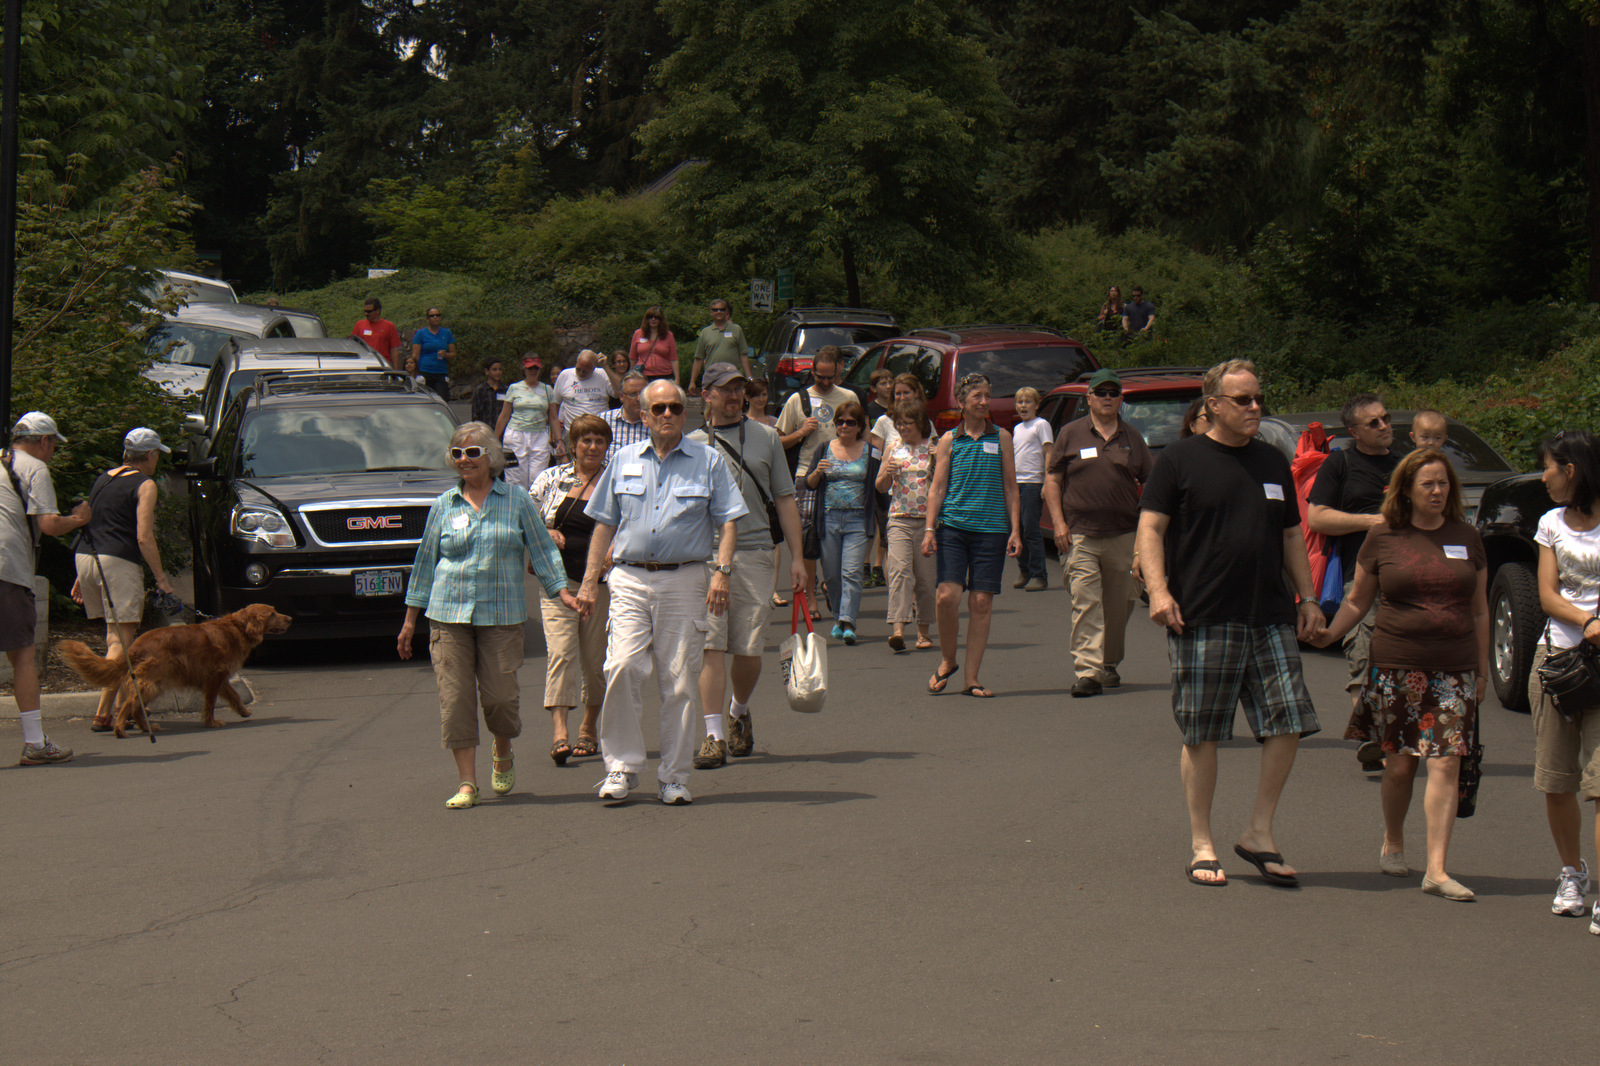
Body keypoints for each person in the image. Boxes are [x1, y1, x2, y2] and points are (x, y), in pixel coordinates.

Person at [1136, 359, 1323, 887]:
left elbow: (1291, 535)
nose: (1255, 407)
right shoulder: (1179, 460)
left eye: (1258, 398)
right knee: (1203, 732)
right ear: (1213, 404)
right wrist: (1159, 591)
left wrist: (1308, 597)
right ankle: (1202, 843)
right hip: (1202, 613)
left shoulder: (1272, 460)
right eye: (1243, 400)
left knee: (1288, 721)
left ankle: (1259, 831)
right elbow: (1150, 528)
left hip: (1270, 614)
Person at [1314, 449, 1488, 901]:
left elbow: (1480, 610)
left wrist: (1483, 670)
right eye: (1427, 483)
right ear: (1406, 489)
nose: (1437, 491)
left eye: (1443, 483)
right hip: (1397, 666)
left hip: (1454, 668)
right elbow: (1357, 599)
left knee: (1446, 761)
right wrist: (1329, 633)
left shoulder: (1467, 537)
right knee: (1400, 765)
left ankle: (1437, 869)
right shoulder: (1383, 537)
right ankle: (1393, 840)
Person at [577, 380, 747, 805]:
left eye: (674, 407)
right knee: (621, 667)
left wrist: (722, 572)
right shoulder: (623, 460)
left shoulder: (708, 461)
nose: (667, 414)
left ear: (685, 413)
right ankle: (620, 766)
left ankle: (673, 776)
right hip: (630, 578)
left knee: (680, 680)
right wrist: (589, 581)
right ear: (644, 414)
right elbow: (604, 523)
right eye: (658, 408)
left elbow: (728, 521)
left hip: (685, 579)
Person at [397, 422, 577, 809]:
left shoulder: (516, 500)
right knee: (455, 700)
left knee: (500, 699)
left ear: (490, 457)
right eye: (457, 453)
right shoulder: (444, 505)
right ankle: (467, 783)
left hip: (501, 616)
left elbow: (542, 549)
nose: (464, 460)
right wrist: (410, 620)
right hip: (448, 615)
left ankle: (502, 746)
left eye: (472, 452)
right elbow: (425, 562)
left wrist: (561, 591)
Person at [688, 365, 806, 769]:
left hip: (755, 551)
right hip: (705, 556)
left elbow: (785, 498)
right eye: (725, 390)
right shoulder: (691, 445)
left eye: (739, 389)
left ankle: (738, 709)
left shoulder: (766, 437)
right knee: (711, 644)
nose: (734, 396)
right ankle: (713, 735)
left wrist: (797, 558)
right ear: (706, 395)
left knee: (749, 648)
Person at [1527, 429, 1600, 933]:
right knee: (1557, 782)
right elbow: (1547, 595)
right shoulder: (1550, 522)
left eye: (1548, 467)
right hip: (1557, 663)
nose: (1543, 476)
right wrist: (1588, 621)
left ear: (1570, 470)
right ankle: (1572, 873)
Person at [1045, 368, 1154, 697]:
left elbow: (1150, 485)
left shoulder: (1133, 438)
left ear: (1120, 400)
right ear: (1089, 398)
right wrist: (1059, 523)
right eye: (1101, 393)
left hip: (1124, 535)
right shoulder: (1070, 433)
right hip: (1080, 534)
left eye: (1113, 393)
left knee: (1120, 605)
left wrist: (1146, 536)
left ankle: (1108, 664)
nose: (1107, 398)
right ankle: (1088, 672)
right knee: (1086, 602)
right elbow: (1053, 480)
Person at [1307, 393, 1400, 771]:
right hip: (1359, 573)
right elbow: (1317, 518)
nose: (1384, 426)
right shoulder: (1340, 463)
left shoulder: (1405, 465)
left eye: (1385, 418)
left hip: (1406, 575)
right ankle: (1369, 736)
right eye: (1373, 422)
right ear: (1354, 432)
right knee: (1362, 649)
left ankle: (1393, 735)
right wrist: (1371, 521)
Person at [71, 428, 178, 733]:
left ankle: (123, 709)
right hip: (117, 562)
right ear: (150, 455)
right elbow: (143, 536)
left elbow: (91, 523)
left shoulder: (103, 478)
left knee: (114, 638)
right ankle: (104, 713)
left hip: (87, 557)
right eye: (157, 455)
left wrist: (81, 576)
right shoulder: (145, 484)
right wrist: (162, 579)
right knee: (122, 641)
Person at [922, 373, 1021, 698]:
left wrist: (1015, 530)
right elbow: (937, 487)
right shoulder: (949, 439)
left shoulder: (1002, 437)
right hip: (953, 527)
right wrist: (929, 529)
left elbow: (1011, 487)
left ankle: (971, 679)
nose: (983, 401)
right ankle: (948, 659)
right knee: (946, 596)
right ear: (961, 402)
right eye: (977, 396)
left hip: (991, 530)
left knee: (980, 602)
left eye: (987, 395)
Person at [3, 413, 91, 765]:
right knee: (23, 655)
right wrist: (79, 519)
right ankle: (34, 743)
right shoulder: (34, 468)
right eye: (54, 444)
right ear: (44, 441)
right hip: (7, 569)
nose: (53, 452)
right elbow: (50, 525)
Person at [529, 415, 613, 767]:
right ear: (573, 445)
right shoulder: (551, 478)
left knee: (594, 662)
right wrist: (545, 533)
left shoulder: (615, 480)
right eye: (585, 441)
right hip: (558, 583)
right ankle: (560, 733)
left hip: (601, 585)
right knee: (562, 653)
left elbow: (633, 522)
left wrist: (614, 550)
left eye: (599, 441)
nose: (592, 447)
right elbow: (525, 519)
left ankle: (588, 727)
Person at [776, 345, 856, 617]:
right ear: (812, 372)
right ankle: (811, 598)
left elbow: (861, 434)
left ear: (838, 372)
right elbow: (778, 441)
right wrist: (800, 432)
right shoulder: (797, 400)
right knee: (808, 542)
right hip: (806, 476)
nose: (825, 382)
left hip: (842, 475)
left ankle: (830, 584)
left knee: (839, 539)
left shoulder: (848, 397)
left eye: (830, 377)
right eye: (820, 377)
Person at [806, 399, 873, 645]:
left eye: (850, 422)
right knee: (833, 576)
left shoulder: (870, 451)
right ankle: (838, 617)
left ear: (860, 426)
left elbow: (877, 487)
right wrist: (817, 472)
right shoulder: (824, 448)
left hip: (858, 519)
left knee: (852, 573)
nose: (844, 426)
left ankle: (848, 621)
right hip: (829, 518)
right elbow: (809, 484)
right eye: (840, 422)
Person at [877, 399, 937, 653]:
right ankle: (898, 630)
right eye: (899, 423)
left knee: (925, 579)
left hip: (927, 522)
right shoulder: (893, 448)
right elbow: (880, 487)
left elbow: (944, 484)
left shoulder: (932, 448)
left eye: (907, 423)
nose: (902, 428)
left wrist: (936, 463)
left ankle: (923, 632)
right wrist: (887, 473)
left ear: (920, 423)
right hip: (899, 518)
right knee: (899, 573)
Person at [1011, 386, 1054, 592]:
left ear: (1037, 405)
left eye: (1028, 402)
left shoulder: (1041, 425)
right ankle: (1025, 570)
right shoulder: (1017, 428)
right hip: (1016, 484)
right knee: (1016, 529)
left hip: (1032, 483)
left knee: (1030, 529)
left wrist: (1047, 481)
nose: (1023, 406)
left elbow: (1049, 452)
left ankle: (1039, 575)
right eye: (1020, 402)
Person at [494, 354, 558, 491]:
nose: (533, 371)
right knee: (516, 479)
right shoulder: (514, 388)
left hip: (539, 435)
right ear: (524, 369)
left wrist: (559, 441)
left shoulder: (547, 389)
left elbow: (553, 417)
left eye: (536, 368)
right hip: (516, 435)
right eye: (530, 368)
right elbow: (504, 415)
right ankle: (516, 503)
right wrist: (494, 439)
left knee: (538, 479)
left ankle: (534, 504)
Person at [689, 297, 752, 395]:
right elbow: (699, 359)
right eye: (715, 310)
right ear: (711, 312)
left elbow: (743, 355)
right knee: (711, 403)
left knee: (733, 402)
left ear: (726, 311)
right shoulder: (705, 332)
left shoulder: (736, 329)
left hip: (733, 376)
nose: (718, 312)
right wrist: (692, 381)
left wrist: (749, 378)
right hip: (712, 377)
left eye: (722, 309)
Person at [552, 349, 619, 438]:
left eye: (585, 371)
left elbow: (618, 393)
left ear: (594, 368)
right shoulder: (565, 375)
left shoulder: (602, 374)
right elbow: (555, 405)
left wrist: (606, 367)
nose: (581, 373)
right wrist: (554, 432)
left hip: (599, 431)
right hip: (573, 433)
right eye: (578, 369)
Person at [601, 371, 651, 463]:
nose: (638, 398)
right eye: (633, 394)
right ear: (621, 396)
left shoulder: (655, 422)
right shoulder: (604, 420)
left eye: (643, 394)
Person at [410, 307, 457, 398]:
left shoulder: (447, 333)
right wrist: (415, 372)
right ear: (427, 319)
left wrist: (446, 354)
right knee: (425, 398)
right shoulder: (420, 333)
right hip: (424, 371)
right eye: (432, 316)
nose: (435, 317)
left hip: (440, 371)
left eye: (437, 315)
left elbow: (453, 353)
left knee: (442, 397)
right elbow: (415, 355)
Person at [631, 306, 680, 386]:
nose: (653, 319)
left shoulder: (669, 335)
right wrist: (630, 376)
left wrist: (677, 379)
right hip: (643, 375)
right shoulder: (638, 333)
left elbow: (673, 359)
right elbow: (632, 357)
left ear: (661, 320)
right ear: (646, 319)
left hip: (664, 375)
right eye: (650, 317)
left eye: (656, 317)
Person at [351, 297, 403, 367]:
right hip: (364, 364)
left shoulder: (389, 326)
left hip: (382, 365)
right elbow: (353, 346)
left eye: (369, 311)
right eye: (365, 311)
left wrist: (395, 370)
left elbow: (394, 349)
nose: (366, 314)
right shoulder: (359, 325)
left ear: (378, 311)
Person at [470, 356, 506, 432]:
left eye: (500, 369)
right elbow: (475, 414)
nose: (498, 372)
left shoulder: (505, 390)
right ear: (487, 371)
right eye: (494, 370)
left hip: (502, 432)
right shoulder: (480, 390)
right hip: (485, 431)